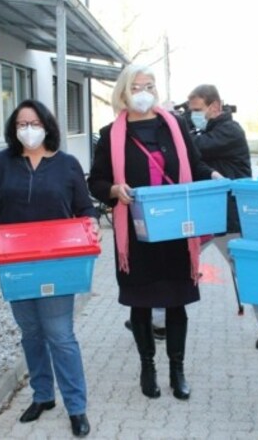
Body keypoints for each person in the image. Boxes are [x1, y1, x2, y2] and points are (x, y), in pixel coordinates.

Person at [87, 64, 222, 401]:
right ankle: (148, 367)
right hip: (136, 236)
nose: (144, 92)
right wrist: (115, 190)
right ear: (123, 92)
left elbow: (195, 164)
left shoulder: (174, 125)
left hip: (176, 232)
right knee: (142, 304)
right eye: (137, 86)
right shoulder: (110, 134)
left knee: (177, 304)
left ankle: (177, 370)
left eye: (149, 85)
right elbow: (96, 181)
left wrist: (215, 177)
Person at [0, 99, 95, 438]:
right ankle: (43, 396)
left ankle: (76, 406)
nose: (28, 129)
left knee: (60, 335)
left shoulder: (68, 165)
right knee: (31, 333)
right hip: (15, 264)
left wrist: (89, 229)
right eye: (20, 124)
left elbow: (85, 208)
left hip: (56, 263)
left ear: (47, 126)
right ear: (14, 130)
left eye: (33, 122)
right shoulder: (1, 163)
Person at [187, 84, 258, 350]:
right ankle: (156, 320)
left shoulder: (228, 130)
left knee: (246, 271)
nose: (192, 115)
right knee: (181, 263)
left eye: (196, 110)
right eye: (190, 111)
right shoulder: (209, 129)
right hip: (207, 215)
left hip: (231, 216)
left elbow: (196, 149)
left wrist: (179, 123)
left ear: (215, 107)